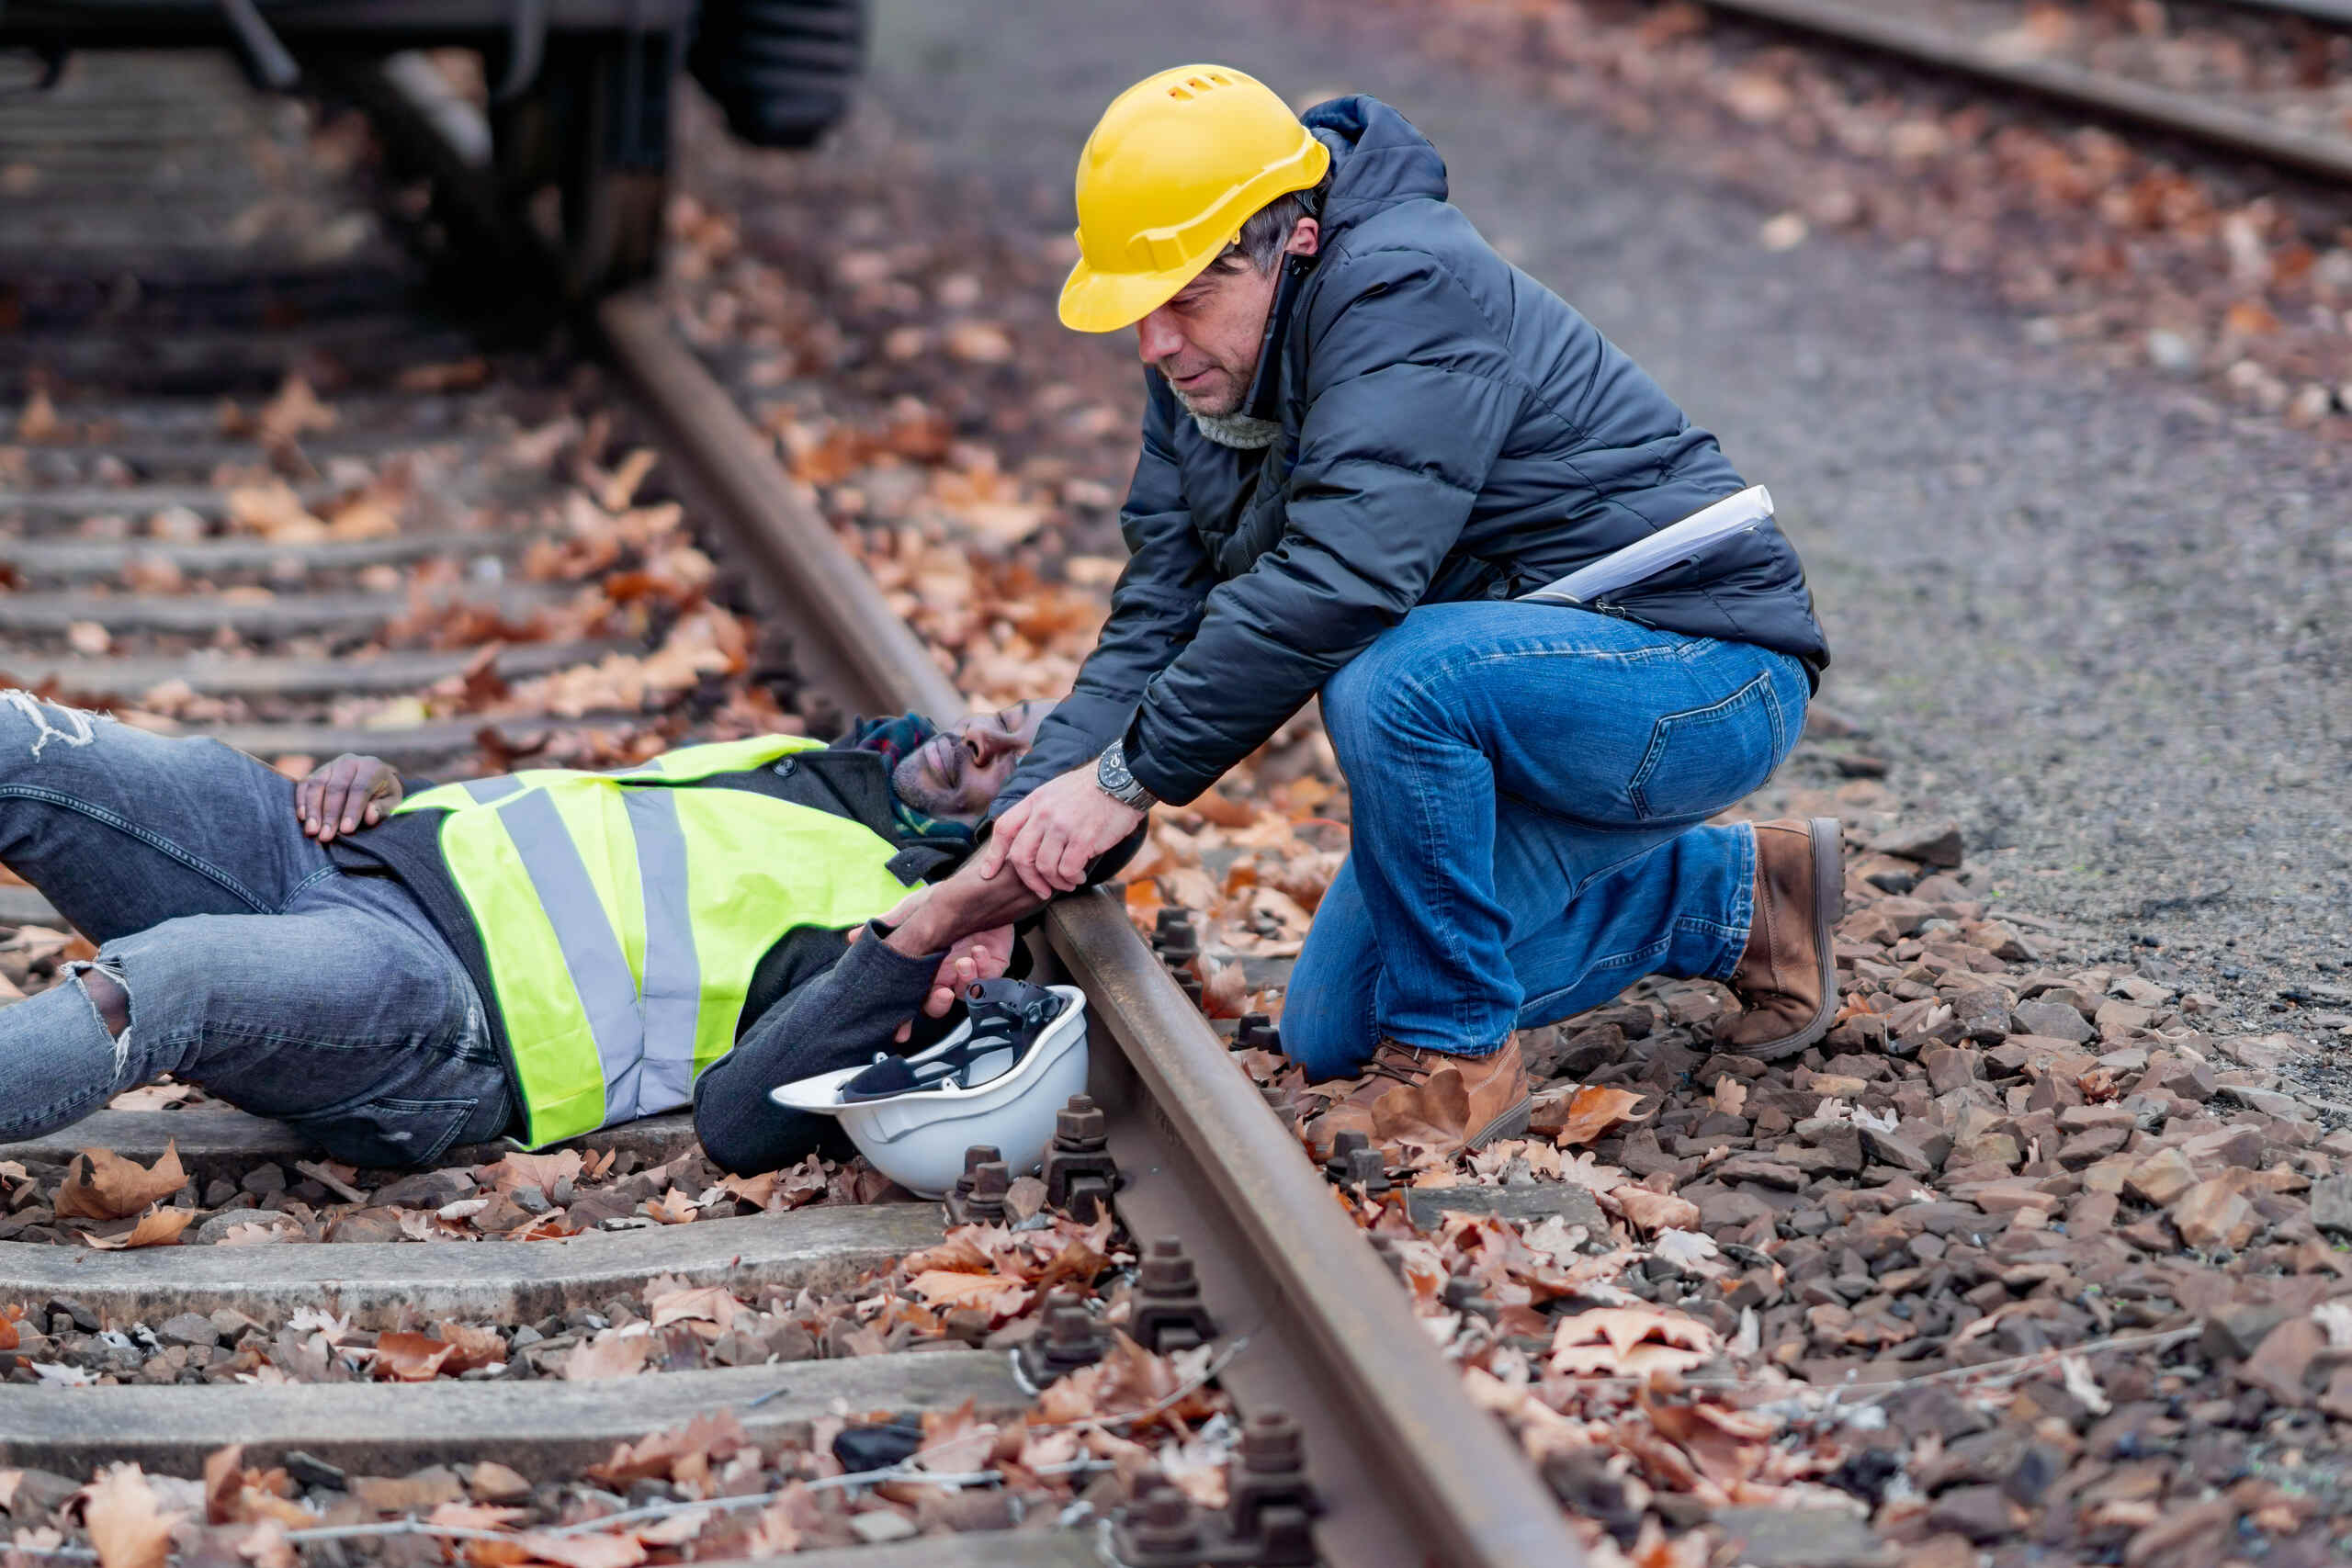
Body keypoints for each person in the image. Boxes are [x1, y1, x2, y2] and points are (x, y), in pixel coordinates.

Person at [980, 65, 1839, 1156]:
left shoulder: (1408, 287)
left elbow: (1345, 578)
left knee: (1397, 675)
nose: (1155, 345)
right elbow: (1157, 611)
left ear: (1287, 241)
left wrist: (1127, 781)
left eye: (1185, 301)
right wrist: (1011, 846)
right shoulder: (1201, 365)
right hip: (1532, 687)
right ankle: (1740, 900)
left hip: (1701, 671)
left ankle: (1456, 1060)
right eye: (1138, 312)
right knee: (1334, 1028)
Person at [0, 691, 1054, 1175]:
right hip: (333, 854)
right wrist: (398, 788)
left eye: (1019, 755)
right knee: (23, 740)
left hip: (437, 1002)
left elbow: (739, 1124)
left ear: (1024, 833)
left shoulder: (890, 927)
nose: (987, 728)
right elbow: (568, 828)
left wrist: (937, 919)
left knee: (157, 988)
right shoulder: (811, 761)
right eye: (1010, 708)